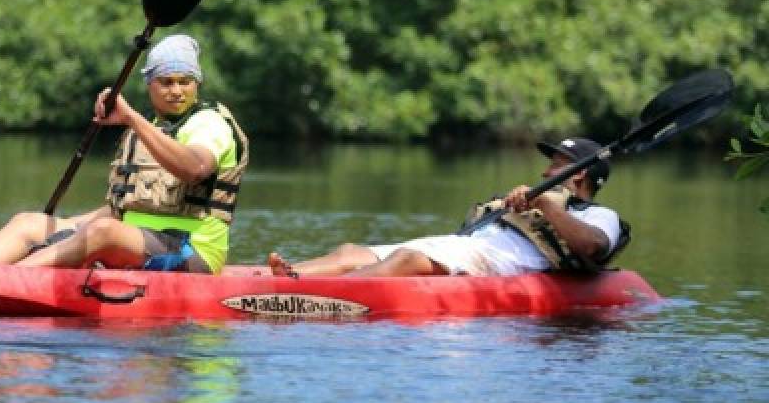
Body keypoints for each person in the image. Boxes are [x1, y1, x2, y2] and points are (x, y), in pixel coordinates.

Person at [0, 34, 249, 274]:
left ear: (196, 84)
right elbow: (121, 209)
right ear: (150, 84)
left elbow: (195, 168)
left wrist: (131, 118)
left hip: (192, 251)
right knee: (31, 223)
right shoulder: (149, 129)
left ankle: (10, 279)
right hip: (133, 240)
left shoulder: (208, 123)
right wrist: (67, 230)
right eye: (166, 82)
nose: (176, 90)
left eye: (185, 81)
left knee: (103, 231)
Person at [267, 137, 630, 278]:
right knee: (349, 251)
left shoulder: (601, 216)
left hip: (497, 265)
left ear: (579, 174)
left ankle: (315, 297)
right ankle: (284, 278)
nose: (545, 171)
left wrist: (551, 208)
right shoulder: (535, 199)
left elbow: (594, 247)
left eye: (556, 164)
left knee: (408, 260)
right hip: (465, 247)